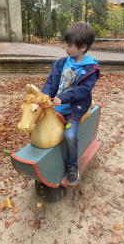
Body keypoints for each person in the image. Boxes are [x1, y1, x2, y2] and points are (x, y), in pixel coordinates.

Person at [42, 22, 100, 186]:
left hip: (74, 108)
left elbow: (83, 90)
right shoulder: (61, 63)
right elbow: (51, 81)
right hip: (57, 104)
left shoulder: (90, 68)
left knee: (69, 135)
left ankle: (72, 166)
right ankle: (43, 155)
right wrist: (45, 93)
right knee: (37, 121)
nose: (65, 48)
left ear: (82, 47)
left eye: (69, 45)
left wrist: (66, 97)